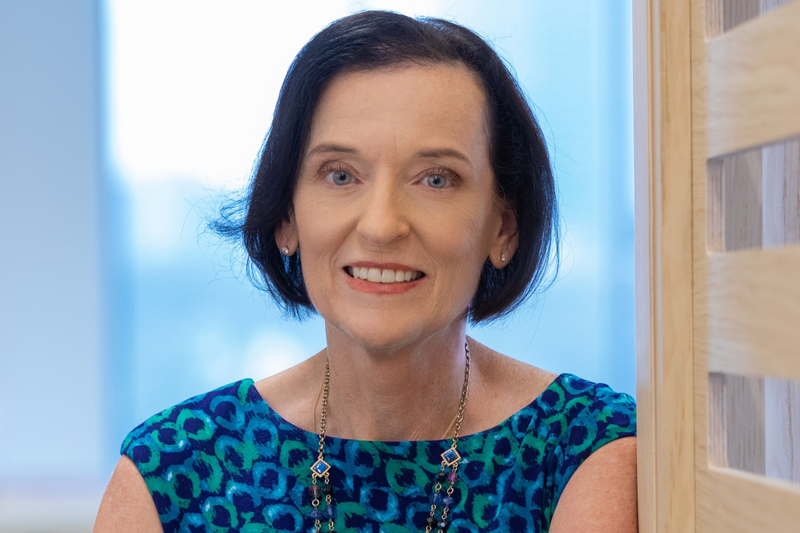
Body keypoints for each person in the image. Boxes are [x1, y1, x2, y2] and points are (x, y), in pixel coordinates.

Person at [94, 10, 637, 533]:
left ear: (503, 228)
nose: (381, 226)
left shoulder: (585, 446)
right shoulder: (172, 472)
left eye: (436, 179)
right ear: (286, 218)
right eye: (340, 175)